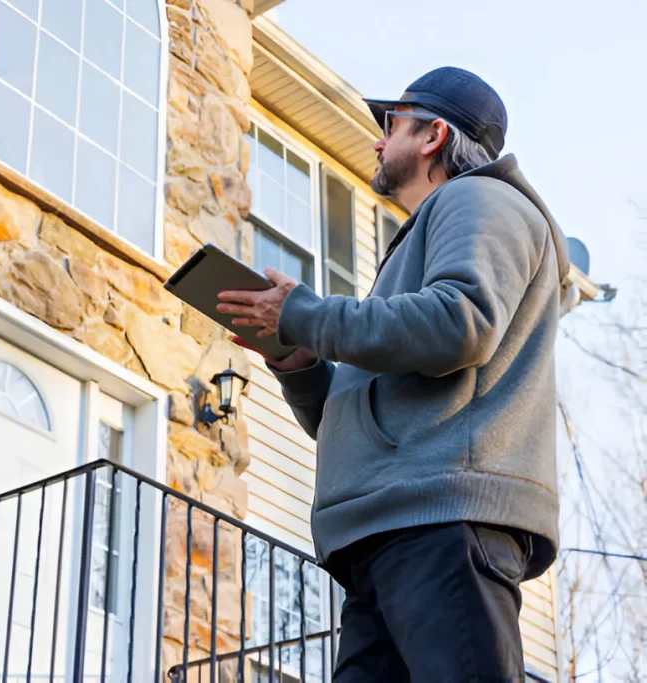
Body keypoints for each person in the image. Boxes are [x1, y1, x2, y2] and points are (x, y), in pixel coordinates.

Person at [217, 67, 571, 681]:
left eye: (391, 126)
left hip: (442, 524)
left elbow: (460, 322)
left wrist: (303, 312)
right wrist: (300, 364)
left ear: (434, 135)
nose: (378, 142)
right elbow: (364, 412)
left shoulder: (479, 197)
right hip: (387, 536)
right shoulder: (417, 244)